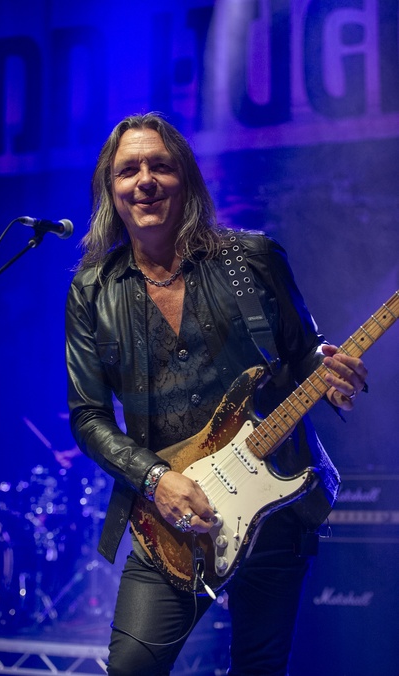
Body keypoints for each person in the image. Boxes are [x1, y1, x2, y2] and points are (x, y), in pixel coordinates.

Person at [65, 112, 367, 675]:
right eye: (128, 170)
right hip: (169, 518)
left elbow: (305, 350)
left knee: (260, 665)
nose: (145, 180)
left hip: (273, 504)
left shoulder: (253, 258)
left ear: (186, 178)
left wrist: (329, 374)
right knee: (131, 667)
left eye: (161, 166)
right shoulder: (92, 291)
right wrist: (155, 478)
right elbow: (88, 417)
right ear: (111, 190)